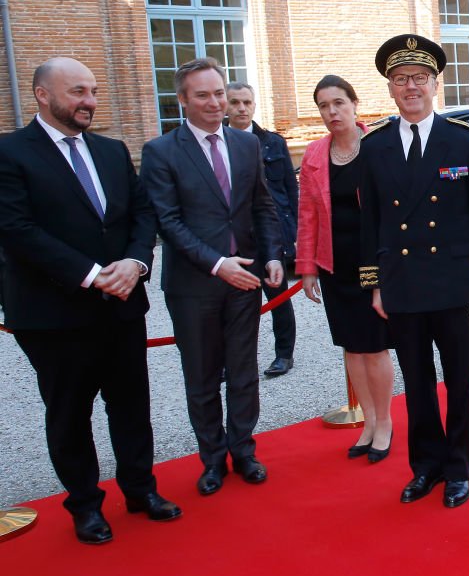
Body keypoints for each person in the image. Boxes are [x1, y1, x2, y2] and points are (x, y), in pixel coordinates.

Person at [0, 57, 181, 544]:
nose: (89, 101)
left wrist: (136, 263)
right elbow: (16, 229)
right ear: (42, 94)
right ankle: (84, 505)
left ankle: (141, 491)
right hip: (54, 315)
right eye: (78, 91)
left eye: (94, 91)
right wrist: (92, 275)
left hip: (122, 305)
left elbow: (142, 214)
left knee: (131, 406)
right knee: (69, 414)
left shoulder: (111, 149)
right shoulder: (11, 153)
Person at [359, 34, 469, 508]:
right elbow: (370, 221)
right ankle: (425, 467)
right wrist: (373, 284)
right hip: (402, 284)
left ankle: (459, 467)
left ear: (436, 85)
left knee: (459, 381)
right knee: (416, 381)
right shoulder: (375, 147)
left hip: (452, 282)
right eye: (401, 80)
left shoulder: (460, 140)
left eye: (419, 78)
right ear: (391, 90)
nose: (411, 87)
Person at [141, 57, 284, 496]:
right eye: (202, 95)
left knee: (243, 371)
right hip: (194, 286)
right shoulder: (161, 152)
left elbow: (261, 205)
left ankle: (243, 451)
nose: (214, 102)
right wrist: (218, 263)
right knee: (202, 376)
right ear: (183, 100)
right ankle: (211, 459)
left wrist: (274, 255)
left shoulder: (245, 144)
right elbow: (169, 222)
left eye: (219, 93)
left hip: (246, 278)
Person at [296, 75, 394, 461]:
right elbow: (307, 215)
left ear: (355, 105)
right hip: (334, 264)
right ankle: (367, 423)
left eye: (339, 103)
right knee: (352, 348)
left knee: (375, 347)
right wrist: (306, 268)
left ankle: (384, 422)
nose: (332, 112)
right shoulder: (315, 154)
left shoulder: (379, 147)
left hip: (373, 264)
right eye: (324, 106)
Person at [226, 82, 298, 378]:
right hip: (237, 237)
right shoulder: (220, 143)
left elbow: (289, 191)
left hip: (272, 233)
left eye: (247, 102)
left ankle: (284, 354)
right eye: (235, 103)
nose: (242, 108)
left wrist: (296, 234)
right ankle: (235, 360)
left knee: (278, 296)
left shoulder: (273, 142)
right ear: (226, 106)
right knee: (236, 305)